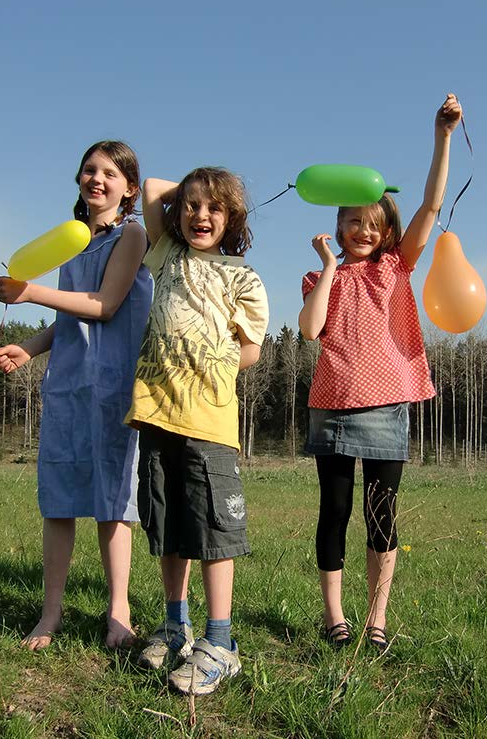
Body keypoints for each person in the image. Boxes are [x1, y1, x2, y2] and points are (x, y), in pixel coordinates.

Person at [298, 94, 462, 651]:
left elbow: (432, 206)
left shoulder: (398, 265)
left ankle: (377, 618)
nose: (360, 232)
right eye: (349, 224)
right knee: (334, 512)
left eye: (369, 224)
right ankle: (334, 616)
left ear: (385, 228)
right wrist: (325, 268)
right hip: (332, 409)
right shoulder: (322, 276)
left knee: (381, 516)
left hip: (388, 407)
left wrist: (441, 137)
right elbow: (309, 331)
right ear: (337, 228)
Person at [0, 141, 153, 650]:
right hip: (67, 383)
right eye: (89, 170)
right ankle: (50, 613)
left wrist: (28, 291)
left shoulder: (134, 234)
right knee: (57, 499)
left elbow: (103, 305)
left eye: (109, 172)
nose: (96, 179)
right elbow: (71, 317)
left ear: (128, 186)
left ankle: (118, 611)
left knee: (113, 501)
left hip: (115, 388)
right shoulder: (70, 243)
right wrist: (31, 348)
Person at [125, 167, 269, 694]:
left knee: (212, 531)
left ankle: (221, 641)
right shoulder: (166, 256)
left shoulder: (244, 277)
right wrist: (193, 188)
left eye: (214, 208)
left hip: (208, 418)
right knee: (167, 527)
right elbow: (152, 189)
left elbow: (251, 348)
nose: (200, 215)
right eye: (191, 207)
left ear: (232, 218)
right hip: (156, 411)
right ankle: (175, 623)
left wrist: (218, 360)